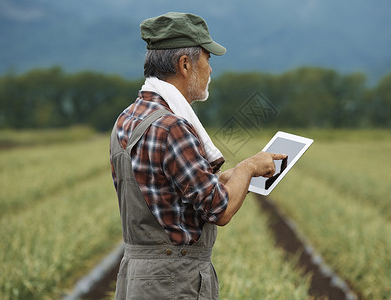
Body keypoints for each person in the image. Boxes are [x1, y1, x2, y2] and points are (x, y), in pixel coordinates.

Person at [110, 12, 286, 300]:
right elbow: (219, 210)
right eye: (208, 59)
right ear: (185, 64)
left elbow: (166, 190)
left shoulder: (127, 118)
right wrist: (249, 166)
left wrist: (227, 177)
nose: (210, 70)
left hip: (136, 277)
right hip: (174, 280)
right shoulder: (172, 127)